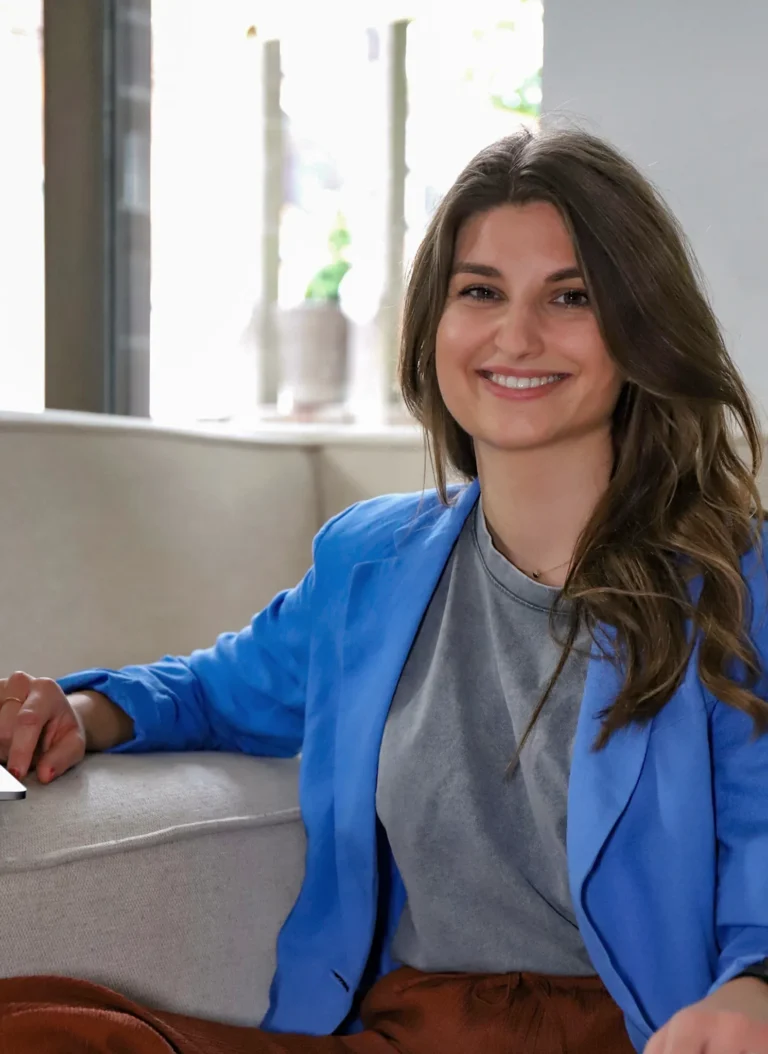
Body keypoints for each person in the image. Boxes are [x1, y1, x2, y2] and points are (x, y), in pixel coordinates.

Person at [1, 125, 768, 1054]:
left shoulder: (733, 582)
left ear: (637, 326)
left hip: (635, 1036)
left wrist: (755, 993)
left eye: (570, 297)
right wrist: (83, 713)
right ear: (433, 326)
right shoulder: (370, 560)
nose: (514, 335)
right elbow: (218, 689)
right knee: (40, 1026)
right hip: (406, 1030)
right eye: (479, 291)